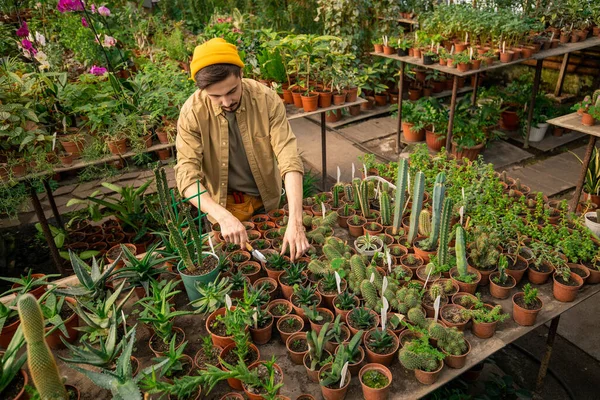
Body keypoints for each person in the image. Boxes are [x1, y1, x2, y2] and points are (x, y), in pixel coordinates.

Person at [174, 38, 309, 260]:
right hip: (223, 207)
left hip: (266, 200)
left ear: (240, 75)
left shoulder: (266, 100)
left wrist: (296, 221)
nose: (226, 101)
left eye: (232, 91)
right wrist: (222, 216)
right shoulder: (192, 114)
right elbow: (186, 177)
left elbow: (288, 157)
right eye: (215, 96)